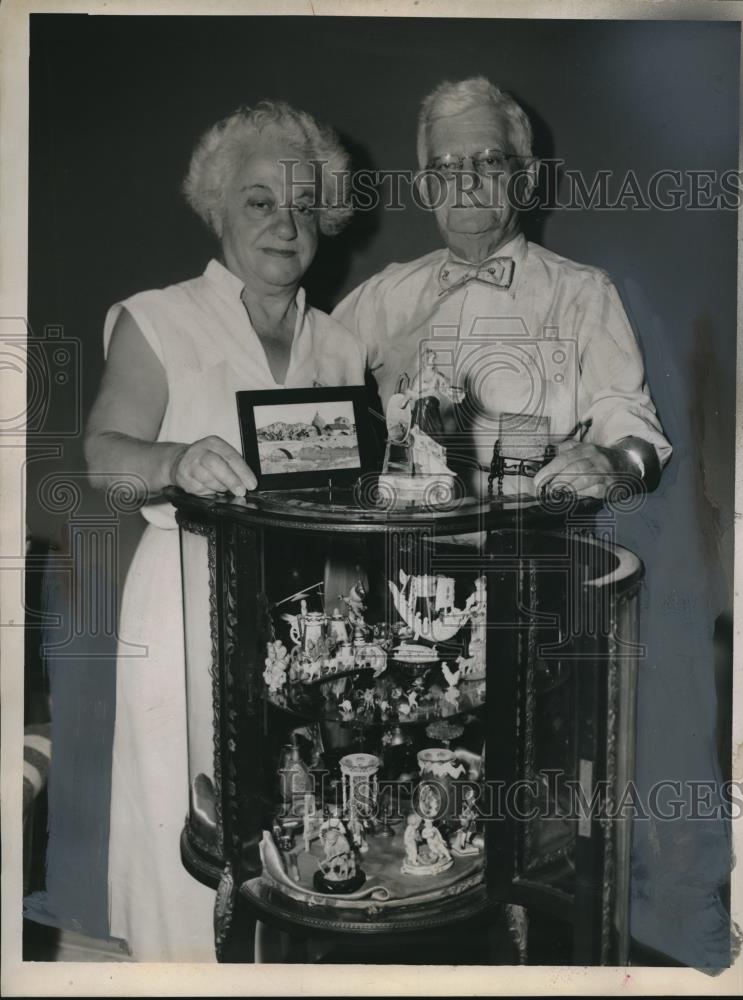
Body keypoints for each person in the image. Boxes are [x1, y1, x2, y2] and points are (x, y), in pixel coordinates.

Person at [84, 100, 364, 961]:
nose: (287, 223)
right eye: (259, 201)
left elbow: (348, 502)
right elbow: (103, 457)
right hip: (184, 601)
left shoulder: (342, 345)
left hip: (305, 612)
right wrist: (175, 459)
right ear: (217, 208)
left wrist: (352, 616)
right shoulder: (158, 317)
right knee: (191, 823)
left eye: (304, 204)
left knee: (302, 815)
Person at [333, 76, 672, 499]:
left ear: (527, 179)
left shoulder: (584, 293)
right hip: (399, 554)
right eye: (446, 166)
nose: (466, 180)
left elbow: (635, 434)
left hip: (533, 553)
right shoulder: (381, 296)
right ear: (426, 187)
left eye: (489, 160)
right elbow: (304, 387)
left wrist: (618, 462)